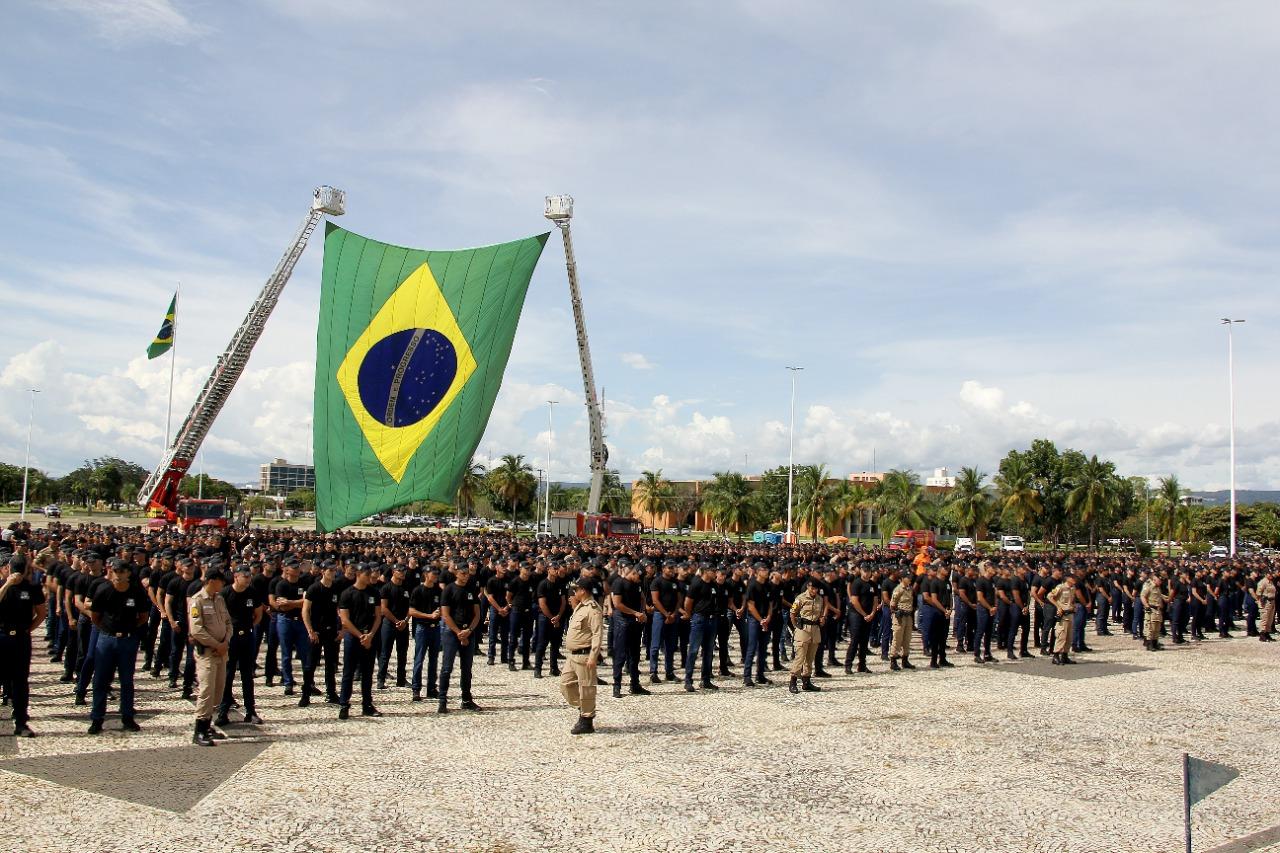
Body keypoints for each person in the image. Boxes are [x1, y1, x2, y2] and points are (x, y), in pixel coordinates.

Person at [87, 559, 147, 734]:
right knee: (100, 680)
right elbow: (95, 616)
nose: (118, 574)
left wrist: (129, 630)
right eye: (115, 571)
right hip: (106, 639)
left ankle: (127, 717)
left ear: (128, 573)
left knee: (127, 680)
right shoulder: (104, 590)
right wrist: (108, 630)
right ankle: (97, 719)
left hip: (127, 640)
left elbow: (143, 616)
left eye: (122, 571)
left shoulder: (136, 592)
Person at [0, 555, 47, 737]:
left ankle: (21, 722)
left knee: (20, 681)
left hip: (20, 639)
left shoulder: (32, 588)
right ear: (7, 569)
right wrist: (7, 584)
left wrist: (28, 629)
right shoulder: (3, 584)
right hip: (2, 635)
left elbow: (41, 613)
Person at [188, 567, 231, 746]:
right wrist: (216, 644)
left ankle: (208, 725)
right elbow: (196, 630)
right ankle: (199, 730)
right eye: (221, 581)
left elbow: (228, 622)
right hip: (207, 653)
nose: (222, 584)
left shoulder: (219, 599)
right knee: (206, 691)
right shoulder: (197, 600)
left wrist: (225, 642)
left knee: (217, 691)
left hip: (221, 652)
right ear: (212, 580)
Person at [218, 565, 264, 725]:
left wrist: (250, 627)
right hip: (230, 637)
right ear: (236, 576)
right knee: (228, 674)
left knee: (247, 675)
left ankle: (250, 711)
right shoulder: (225, 593)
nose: (248, 579)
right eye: (245, 576)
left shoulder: (252, 592)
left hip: (247, 636)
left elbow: (258, 614)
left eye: (249, 576)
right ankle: (223, 712)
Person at [336, 564, 383, 719]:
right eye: (366, 573)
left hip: (369, 637)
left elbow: (378, 616)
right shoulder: (347, 593)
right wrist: (360, 636)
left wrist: (370, 635)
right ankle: (344, 704)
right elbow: (345, 619)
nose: (370, 576)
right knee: (348, 672)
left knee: (368, 673)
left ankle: (367, 704)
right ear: (358, 574)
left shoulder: (374, 592)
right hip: (353, 637)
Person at [560, 578, 605, 734]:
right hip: (573, 656)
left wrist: (594, 656)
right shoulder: (580, 606)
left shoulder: (593, 609)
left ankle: (586, 719)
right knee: (565, 683)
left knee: (586, 688)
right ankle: (584, 706)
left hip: (584, 655)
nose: (573, 592)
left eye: (576, 589)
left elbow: (597, 634)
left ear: (583, 591)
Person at [438, 563, 482, 714]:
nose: (465, 576)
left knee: (467, 668)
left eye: (467, 574)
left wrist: (469, 630)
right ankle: (442, 700)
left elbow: (477, 614)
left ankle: (466, 699)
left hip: (468, 632)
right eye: (463, 573)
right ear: (457, 573)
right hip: (452, 632)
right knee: (447, 668)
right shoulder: (449, 590)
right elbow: (445, 614)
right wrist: (458, 632)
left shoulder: (471, 590)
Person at [609, 562, 650, 698]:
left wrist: (642, 611)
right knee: (620, 654)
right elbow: (617, 604)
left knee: (635, 655)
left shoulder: (637, 584)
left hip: (634, 621)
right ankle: (617, 685)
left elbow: (642, 597)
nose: (640, 580)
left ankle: (635, 684)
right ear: (633, 573)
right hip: (622, 620)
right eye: (639, 577)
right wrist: (635, 613)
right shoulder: (619, 583)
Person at [682, 564, 719, 693]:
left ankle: (706, 679)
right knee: (693, 650)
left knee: (708, 651)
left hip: (711, 619)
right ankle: (688, 680)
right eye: (712, 570)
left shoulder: (713, 585)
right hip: (699, 618)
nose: (714, 572)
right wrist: (690, 615)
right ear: (705, 571)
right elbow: (688, 602)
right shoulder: (696, 583)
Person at [408, 566, 442, 702]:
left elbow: (443, 605)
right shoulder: (418, 590)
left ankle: (431, 688)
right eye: (433, 574)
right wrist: (429, 616)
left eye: (436, 573)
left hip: (436, 628)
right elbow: (411, 611)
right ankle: (416, 689)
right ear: (426, 574)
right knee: (419, 659)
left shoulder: (438, 590)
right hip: (422, 628)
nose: (435, 576)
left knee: (433, 660)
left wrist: (440, 612)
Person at [788, 577, 824, 694]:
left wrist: (822, 619)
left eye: (816, 589)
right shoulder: (801, 598)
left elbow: (821, 613)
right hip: (803, 629)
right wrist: (795, 628)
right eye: (812, 588)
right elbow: (792, 613)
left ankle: (806, 681)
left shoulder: (819, 599)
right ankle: (793, 681)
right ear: (808, 587)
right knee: (800, 657)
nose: (814, 590)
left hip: (815, 629)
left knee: (810, 658)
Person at [377, 566, 411, 690]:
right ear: (393, 572)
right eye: (400, 571)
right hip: (390, 624)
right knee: (385, 652)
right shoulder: (386, 588)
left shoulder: (406, 587)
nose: (402, 573)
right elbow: (383, 608)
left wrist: (406, 621)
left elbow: (410, 607)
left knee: (402, 654)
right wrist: (397, 621)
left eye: (404, 571)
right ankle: (381, 679)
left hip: (403, 623)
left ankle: (401, 679)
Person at [889, 570, 915, 671]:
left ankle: (905, 659)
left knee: (907, 639)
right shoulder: (898, 589)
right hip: (900, 616)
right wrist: (896, 612)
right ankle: (893, 660)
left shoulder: (909, 589)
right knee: (897, 638)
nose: (910, 579)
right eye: (907, 577)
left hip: (908, 616)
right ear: (903, 578)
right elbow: (892, 604)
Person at [1049, 575, 1077, 665]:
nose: (1074, 581)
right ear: (1068, 579)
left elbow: (1071, 600)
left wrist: (1073, 606)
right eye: (1073, 579)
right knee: (1061, 636)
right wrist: (1058, 607)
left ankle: (1065, 655)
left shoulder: (1073, 588)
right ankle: (1056, 655)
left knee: (1069, 637)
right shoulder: (1060, 587)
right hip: (1063, 615)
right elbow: (1050, 596)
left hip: (1070, 614)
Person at [1140, 573, 1166, 652]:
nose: (1160, 582)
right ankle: (1149, 644)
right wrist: (1146, 606)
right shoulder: (1149, 586)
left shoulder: (1157, 588)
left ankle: (1155, 643)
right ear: (1154, 580)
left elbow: (1158, 596)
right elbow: (1142, 596)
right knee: (1150, 628)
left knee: (1157, 628)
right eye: (1159, 580)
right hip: (1151, 609)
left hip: (1158, 610)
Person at [1257, 571, 1276, 642]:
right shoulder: (1262, 582)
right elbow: (1258, 594)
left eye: (1272, 574)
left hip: (1272, 602)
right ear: (1266, 574)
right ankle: (1262, 635)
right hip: (1265, 602)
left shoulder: (1271, 582)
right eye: (1270, 574)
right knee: (1264, 619)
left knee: (1270, 619)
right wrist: (1260, 601)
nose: (1271, 575)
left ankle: (1267, 633)